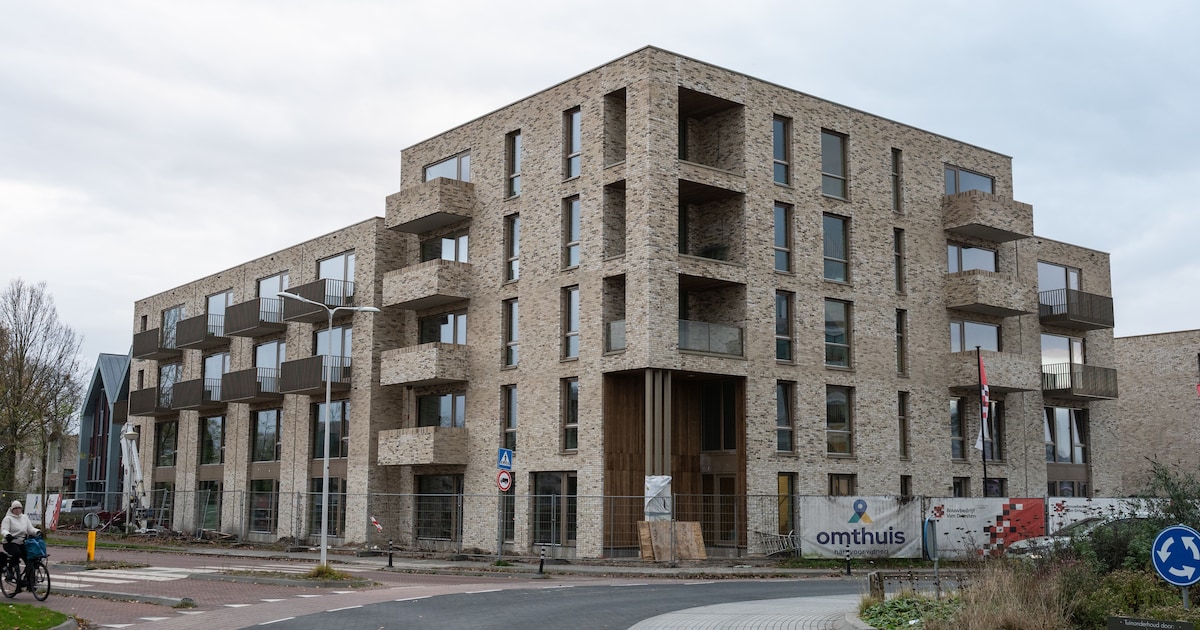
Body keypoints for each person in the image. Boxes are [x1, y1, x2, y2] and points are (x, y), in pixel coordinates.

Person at [2, 501, 39, 587]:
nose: (17, 510)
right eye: (15, 508)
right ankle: (10, 569)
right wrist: (7, 535)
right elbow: (4, 529)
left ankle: (30, 582)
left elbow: (30, 529)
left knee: (30, 559)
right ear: (12, 509)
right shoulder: (8, 519)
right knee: (17, 553)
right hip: (10, 542)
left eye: (19, 508)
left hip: (22, 542)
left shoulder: (24, 517)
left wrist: (37, 532)